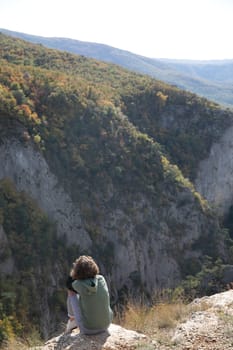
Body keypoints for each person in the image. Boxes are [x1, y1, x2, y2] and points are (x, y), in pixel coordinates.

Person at [65, 255, 113, 335]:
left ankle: (72, 320)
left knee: (71, 293)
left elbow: (68, 283)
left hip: (88, 329)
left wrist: (74, 274)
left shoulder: (77, 284)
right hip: (106, 325)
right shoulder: (101, 279)